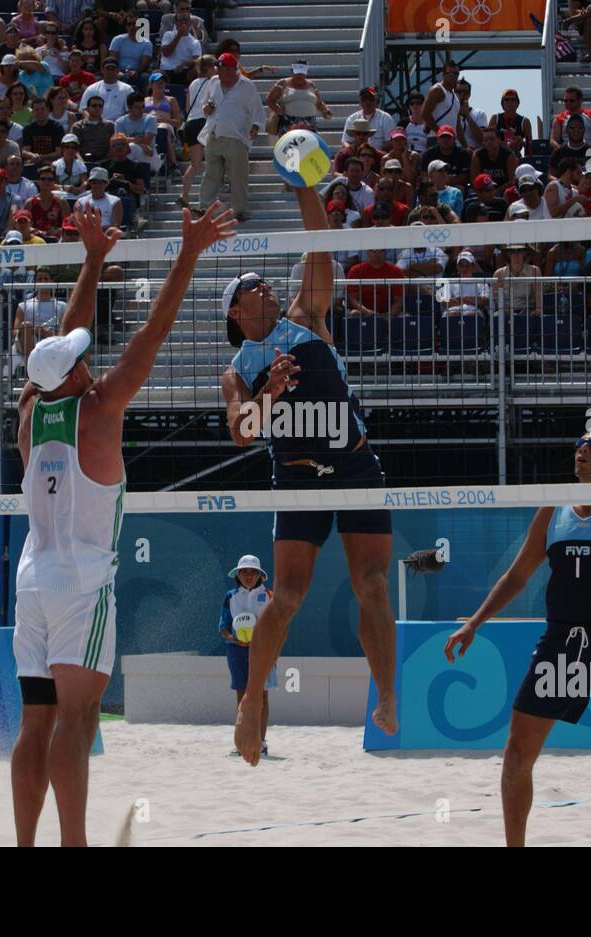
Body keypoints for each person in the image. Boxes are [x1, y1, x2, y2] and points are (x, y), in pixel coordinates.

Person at [10, 201, 234, 847]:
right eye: (80, 358)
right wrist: (188, 253)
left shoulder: (29, 414)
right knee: (76, 725)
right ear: (77, 374)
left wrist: (93, 261)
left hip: (32, 578)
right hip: (82, 581)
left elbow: (55, 356)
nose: (87, 357)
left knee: (34, 724)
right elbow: (152, 335)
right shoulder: (101, 410)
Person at [220, 186, 398, 766]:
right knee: (288, 594)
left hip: (354, 464)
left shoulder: (306, 317)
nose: (264, 286)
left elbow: (320, 244)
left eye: (266, 282)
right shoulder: (238, 369)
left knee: (372, 585)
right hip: (297, 476)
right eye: (252, 286)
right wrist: (270, 389)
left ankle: (388, 695)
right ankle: (251, 701)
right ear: (234, 310)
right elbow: (242, 433)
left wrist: (303, 184)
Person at [444, 427, 591, 847]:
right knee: (517, 754)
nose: (582, 450)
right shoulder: (552, 511)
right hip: (560, 648)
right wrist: (475, 623)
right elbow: (517, 576)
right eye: (579, 443)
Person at [218, 554, 277, 757]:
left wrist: (263, 641)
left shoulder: (270, 595)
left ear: (260, 575)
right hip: (237, 650)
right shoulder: (230, 596)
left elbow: (278, 625)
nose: (248, 575)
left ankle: (260, 742)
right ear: (238, 574)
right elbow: (223, 628)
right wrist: (236, 640)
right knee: (241, 695)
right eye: (244, 571)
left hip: (264, 651)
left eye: (253, 572)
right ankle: (242, 742)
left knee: (262, 695)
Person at [196, 51, 262, 221]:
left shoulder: (247, 86)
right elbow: (204, 103)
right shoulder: (213, 82)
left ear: (232, 70)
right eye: (218, 68)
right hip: (215, 133)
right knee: (211, 174)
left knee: (238, 176)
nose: (218, 72)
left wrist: (255, 126)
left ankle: (239, 210)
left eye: (222, 68)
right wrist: (206, 109)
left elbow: (257, 110)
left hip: (237, 137)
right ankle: (205, 207)